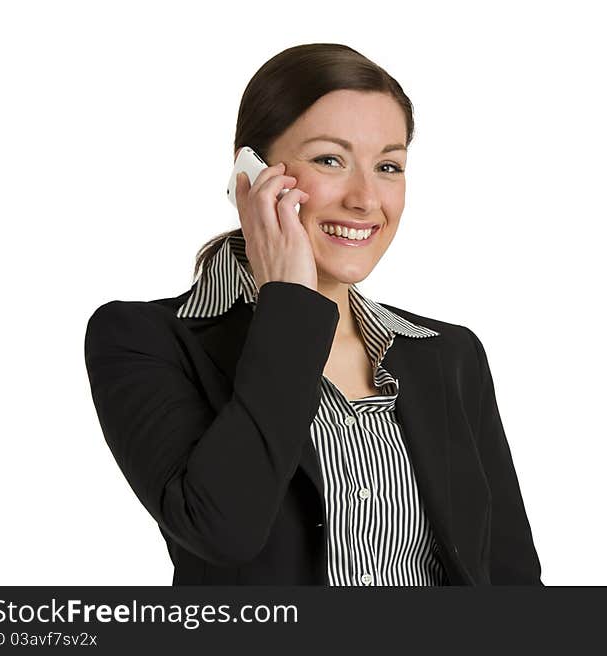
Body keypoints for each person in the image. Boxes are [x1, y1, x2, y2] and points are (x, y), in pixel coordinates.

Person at [84, 43, 542, 586]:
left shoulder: (449, 353)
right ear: (248, 176)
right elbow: (222, 531)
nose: (366, 199)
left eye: (388, 166)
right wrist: (289, 304)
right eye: (330, 159)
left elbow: (512, 576)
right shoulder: (143, 339)